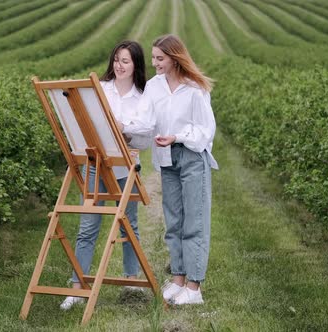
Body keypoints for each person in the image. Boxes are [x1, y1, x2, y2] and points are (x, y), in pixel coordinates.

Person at [122, 34, 218, 305]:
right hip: (167, 159)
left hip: (191, 156)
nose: (154, 63)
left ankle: (194, 287)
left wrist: (177, 137)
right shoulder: (154, 87)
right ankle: (177, 279)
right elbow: (144, 121)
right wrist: (122, 127)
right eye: (153, 58)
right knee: (173, 221)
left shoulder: (195, 88)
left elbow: (205, 130)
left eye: (159, 58)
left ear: (175, 59)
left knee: (194, 222)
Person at [60, 40, 151, 310]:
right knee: (88, 224)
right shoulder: (100, 90)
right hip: (96, 164)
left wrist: (127, 131)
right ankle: (77, 287)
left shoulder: (143, 97)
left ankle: (131, 281)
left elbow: (145, 141)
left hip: (126, 166)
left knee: (128, 224)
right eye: (116, 60)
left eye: (126, 61)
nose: (119, 65)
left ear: (136, 65)